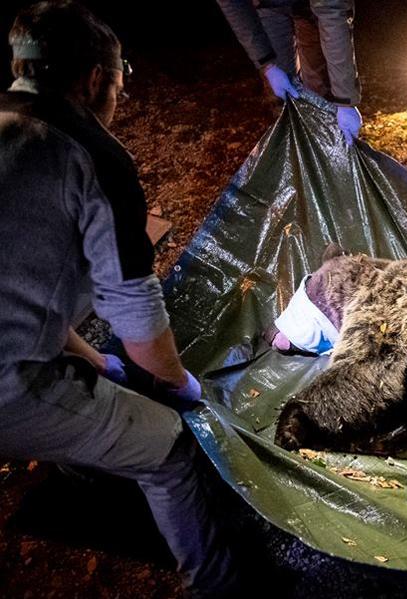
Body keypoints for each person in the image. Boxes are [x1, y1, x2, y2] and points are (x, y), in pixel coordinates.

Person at [0, 2, 236, 595]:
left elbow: (18, 287)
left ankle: (79, 462)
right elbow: (135, 310)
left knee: (95, 366)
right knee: (171, 451)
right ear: (96, 80)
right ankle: (219, 586)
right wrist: (180, 387)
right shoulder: (91, 155)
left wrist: (98, 362)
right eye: (119, 89)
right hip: (7, 386)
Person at [216, 0, 362, 145]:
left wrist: (345, 100)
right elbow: (232, 5)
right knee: (282, 98)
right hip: (268, 6)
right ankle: (293, 151)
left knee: (319, 91)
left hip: (313, 10)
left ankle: (327, 149)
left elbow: (332, 13)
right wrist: (267, 65)